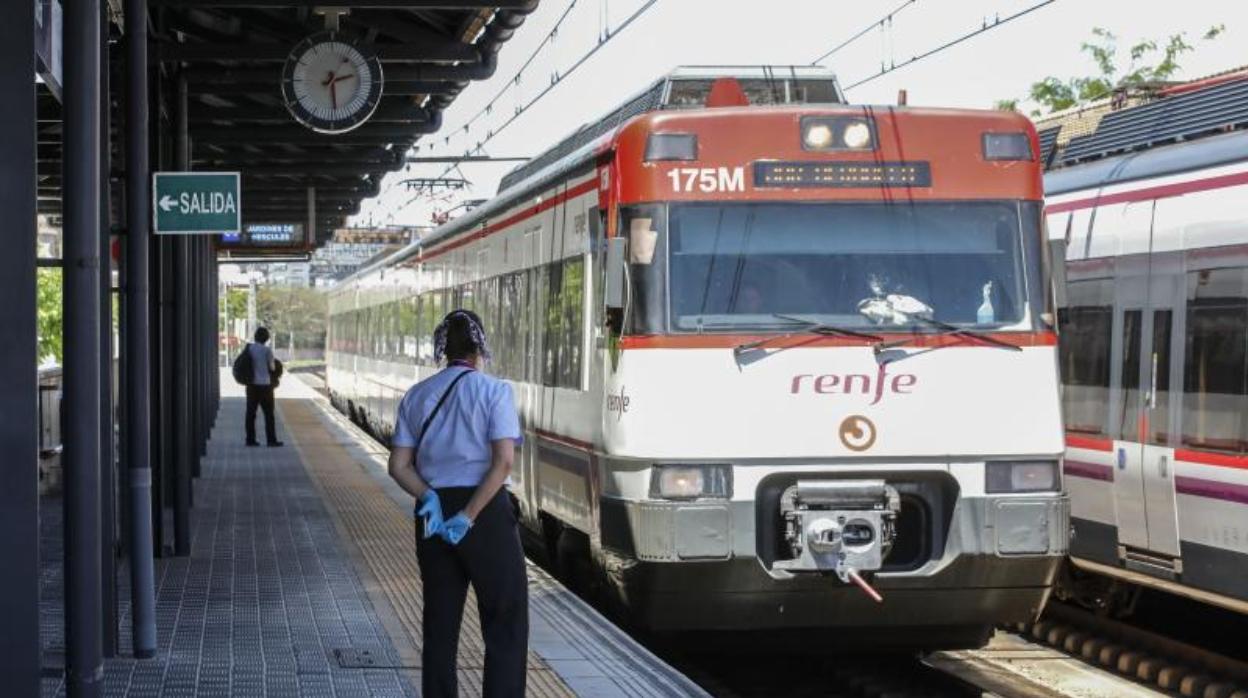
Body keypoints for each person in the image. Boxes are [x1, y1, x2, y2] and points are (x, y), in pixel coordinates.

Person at [387, 310, 528, 698]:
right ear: (480, 348)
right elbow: (503, 463)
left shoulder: (417, 395)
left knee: (440, 623)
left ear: (442, 350)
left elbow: (398, 466)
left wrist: (429, 496)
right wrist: (468, 516)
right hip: (485, 513)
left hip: (433, 515)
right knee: (504, 618)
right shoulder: (494, 391)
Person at [244, 326, 283, 447]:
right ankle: (271, 440)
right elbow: (272, 367)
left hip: (251, 386)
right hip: (265, 386)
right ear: (266, 339)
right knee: (269, 415)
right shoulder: (267, 351)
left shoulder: (249, 348)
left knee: (251, 414)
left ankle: (250, 439)